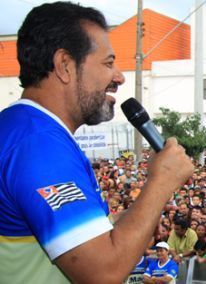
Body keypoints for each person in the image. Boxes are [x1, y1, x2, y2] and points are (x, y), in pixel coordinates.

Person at [0, 2, 193, 283]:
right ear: (64, 65)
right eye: (108, 63)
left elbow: (86, 240)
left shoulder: (26, 130)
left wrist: (141, 212)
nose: (119, 77)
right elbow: (102, 273)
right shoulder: (39, 145)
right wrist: (161, 181)